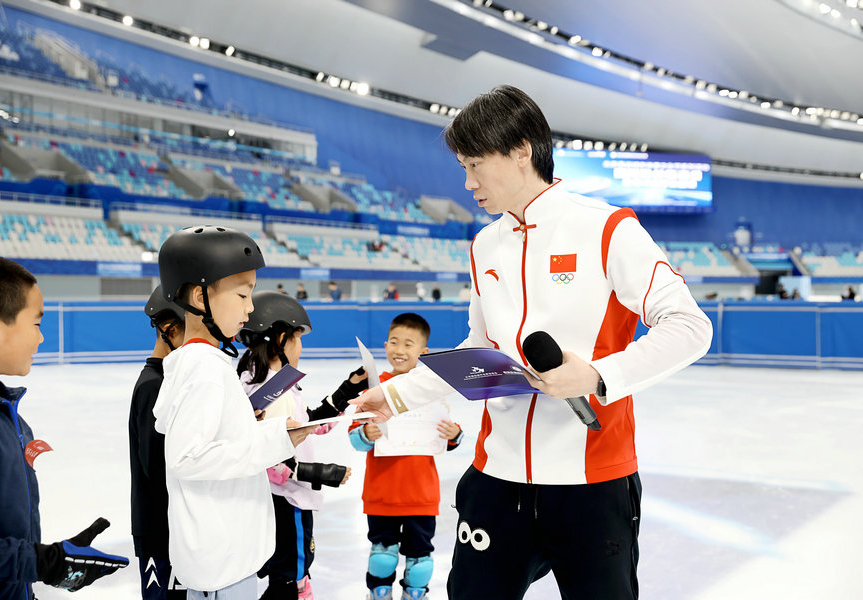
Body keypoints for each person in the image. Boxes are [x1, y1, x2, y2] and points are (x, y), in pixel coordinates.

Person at [352, 85, 713, 600]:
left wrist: (595, 375)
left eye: (475, 165)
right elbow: (479, 347)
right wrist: (393, 395)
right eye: (463, 168)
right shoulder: (484, 244)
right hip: (496, 479)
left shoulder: (607, 228)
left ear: (522, 151)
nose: (468, 183)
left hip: (591, 483)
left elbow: (689, 326)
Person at [153, 226, 314, 599]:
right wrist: (276, 439)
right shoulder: (205, 369)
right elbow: (188, 458)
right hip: (222, 570)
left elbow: (219, 443)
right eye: (242, 294)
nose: (251, 306)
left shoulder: (203, 364)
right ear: (199, 296)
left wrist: (276, 434)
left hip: (225, 564)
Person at [0, 255, 129, 599]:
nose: (41, 339)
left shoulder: (3, 412)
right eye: (36, 324)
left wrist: (46, 563)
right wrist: (42, 561)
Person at [236, 291, 366, 599]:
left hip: (277, 500)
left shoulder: (267, 382)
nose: (301, 346)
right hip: (287, 501)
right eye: (298, 338)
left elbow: (306, 425)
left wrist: (348, 389)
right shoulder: (270, 392)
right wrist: (318, 472)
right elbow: (264, 456)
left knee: (291, 574)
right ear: (281, 339)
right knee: (290, 578)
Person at [348, 313, 463, 600]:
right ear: (385, 345)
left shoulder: (430, 389)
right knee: (382, 557)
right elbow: (355, 440)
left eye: (408, 344)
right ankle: (378, 595)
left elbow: (446, 439)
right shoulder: (374, 389)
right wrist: (365, 434)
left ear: (423, 352)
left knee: (420, 561)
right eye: (395, 342)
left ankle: (416, 595)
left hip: (421, 494)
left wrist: (454, 434)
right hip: (382, 491)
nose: (400, 350)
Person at [129, 285, 187, 599]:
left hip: (174, 527)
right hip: (158, 530)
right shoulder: (154, 385)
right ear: (169, 330)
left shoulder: (171, 381)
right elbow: (155, 463)